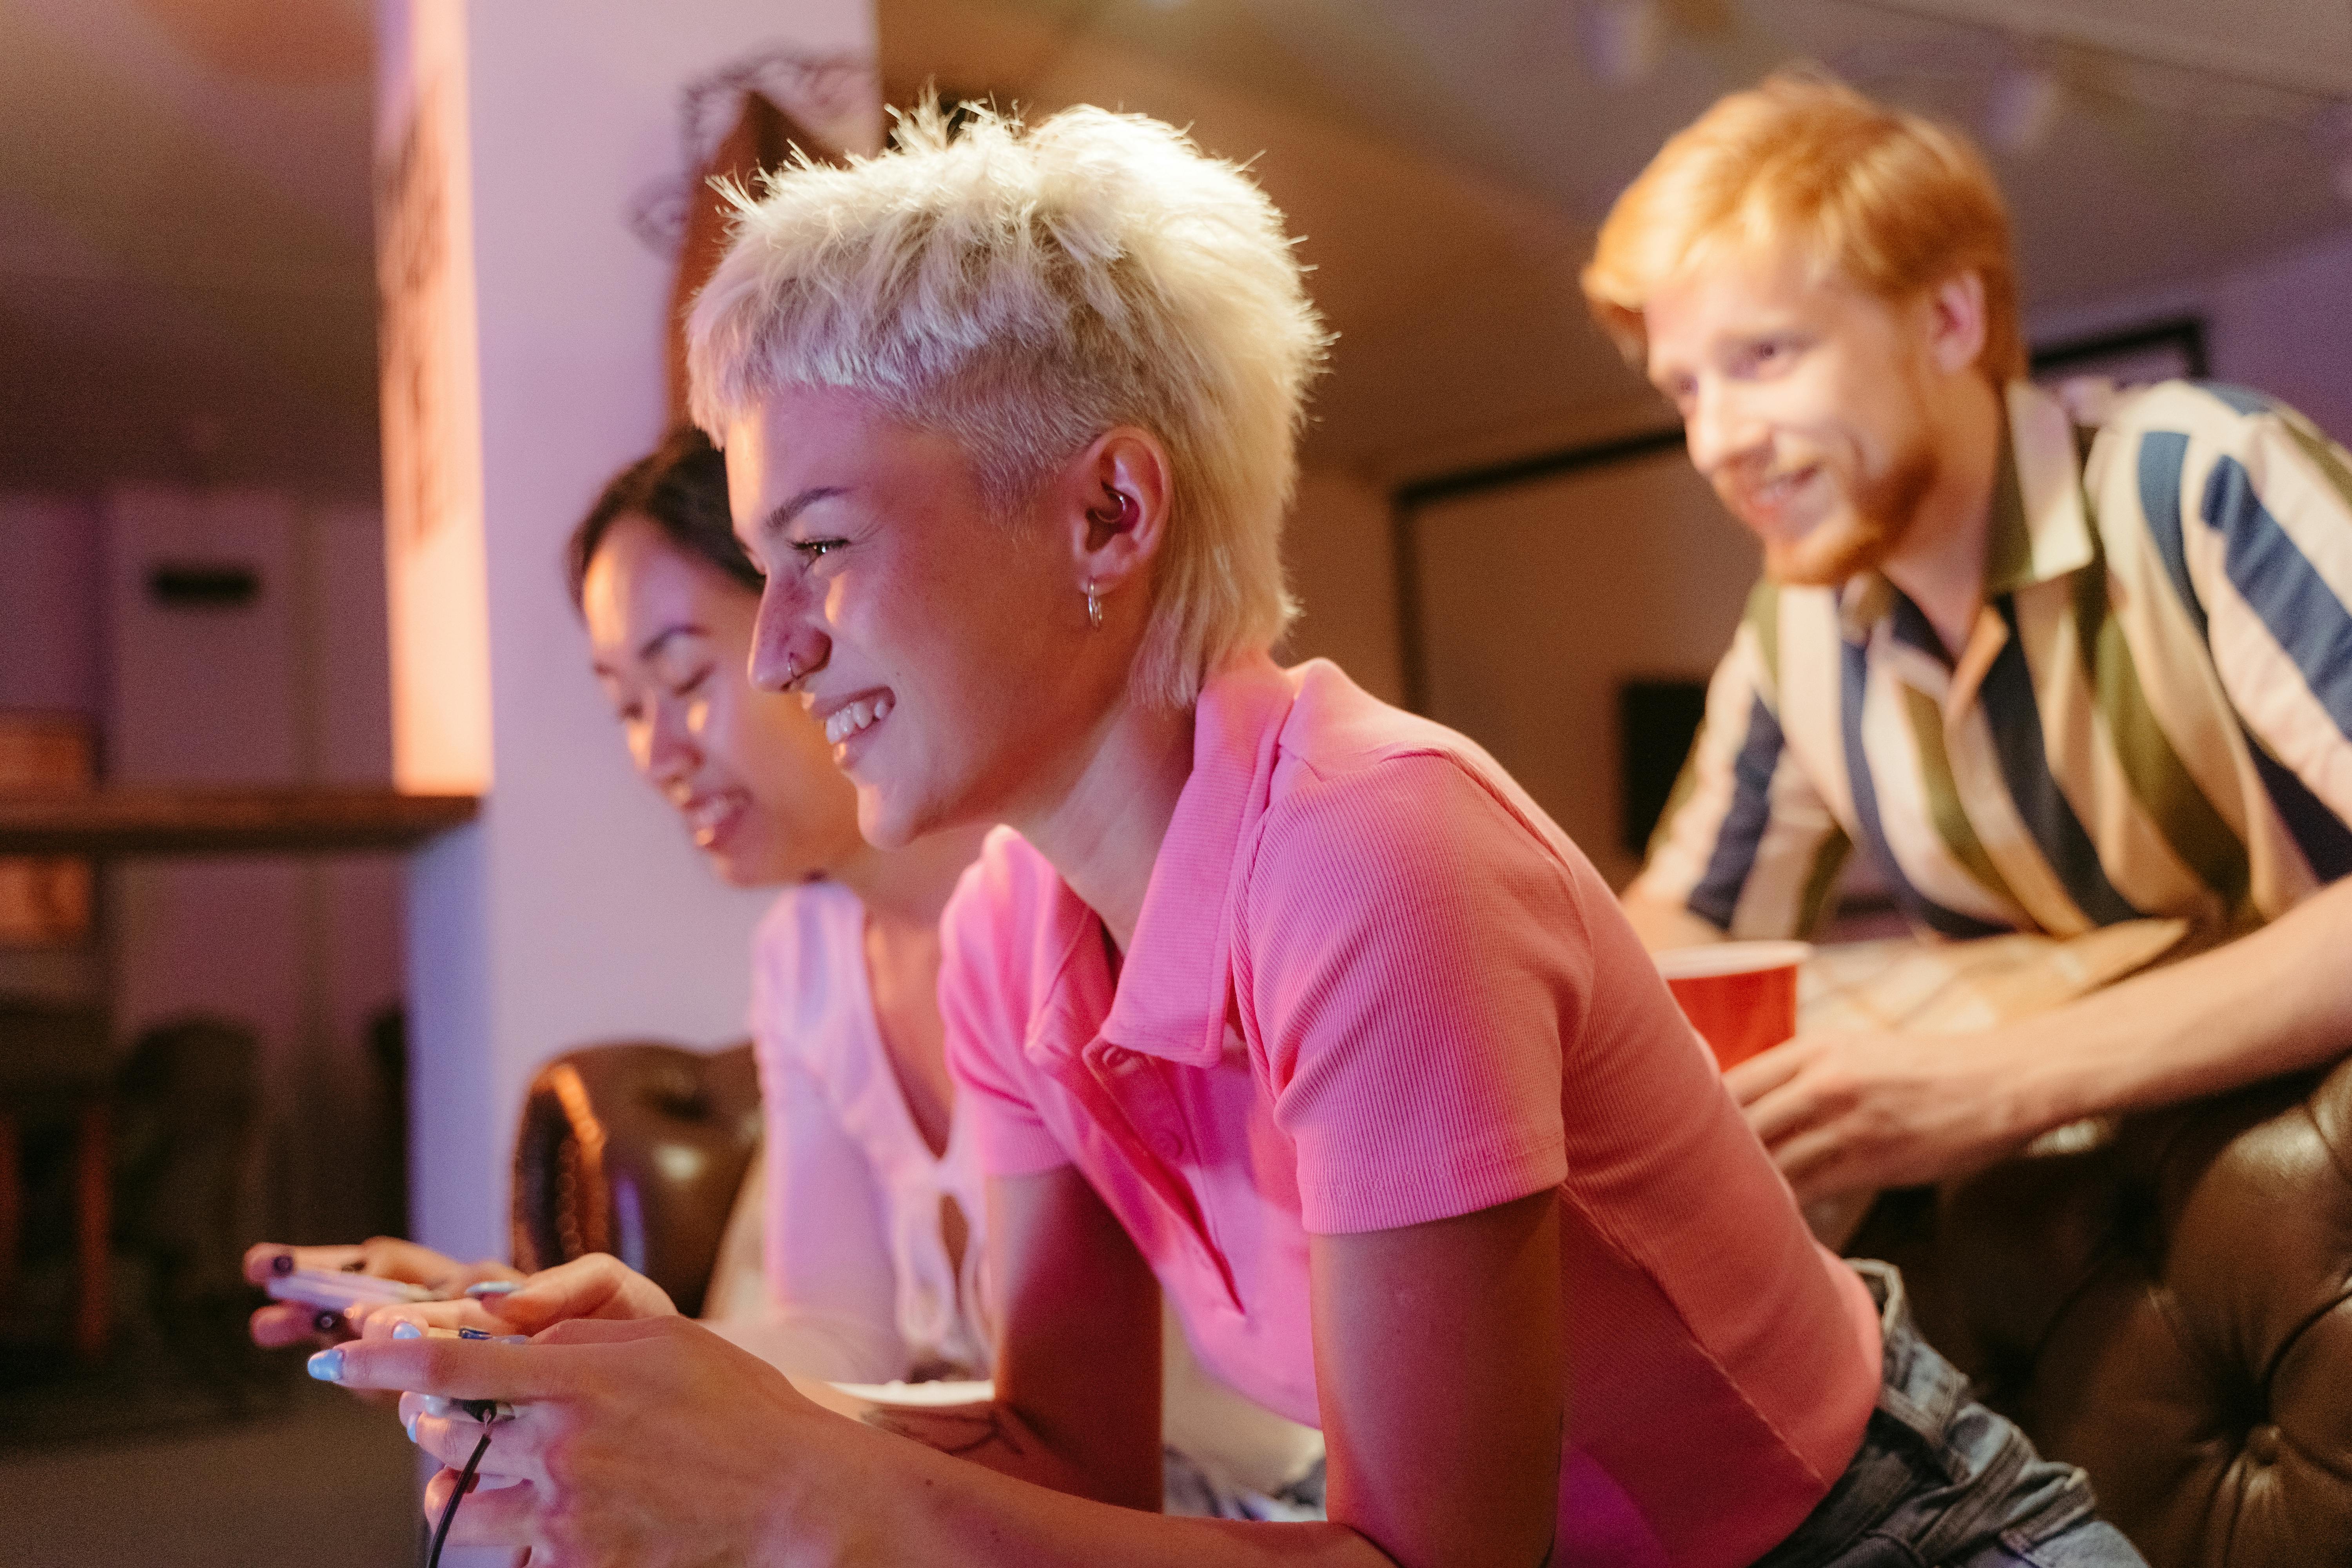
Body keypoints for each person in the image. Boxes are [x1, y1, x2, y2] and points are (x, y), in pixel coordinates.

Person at [334, 102, 2143, 1568]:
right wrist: (685, 1402)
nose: (780, 650)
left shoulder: (1375, 854)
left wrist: (803, 1490)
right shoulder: (1012, 925)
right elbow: (1065, 1451)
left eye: (818, 548)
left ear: (1109, 514)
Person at [252, 427, 1319, 1512]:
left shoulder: (1085, 899)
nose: (656, 755)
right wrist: (539, 1333)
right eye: (627, 706)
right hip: (1020, 1486)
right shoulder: (808, 961)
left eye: (684, 678)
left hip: (1240, 1497)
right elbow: (836, 1337)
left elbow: (1077, 1437)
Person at [1588, 75, 2352, 1207]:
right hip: (2129, 1227)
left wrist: (1992, 1083)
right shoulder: (1796, 629)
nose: (1714, 443)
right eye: (1687, 389)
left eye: (1765, 357)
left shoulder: (2197, 478)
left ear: (1951, 321)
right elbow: (1688, 932)